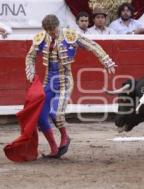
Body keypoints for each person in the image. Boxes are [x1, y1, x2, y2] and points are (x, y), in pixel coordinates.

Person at [25, 14, 116, 158]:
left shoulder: (69, 35)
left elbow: (92, 45)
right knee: (41, 118)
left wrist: (107, 61)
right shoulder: (42, 37)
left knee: (56, 114)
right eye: (49, 32)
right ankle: (54, 149)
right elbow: (30, 56)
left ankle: (65, 137)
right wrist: (30, 72)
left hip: (65, 80)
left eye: (53, 31)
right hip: (48, 81)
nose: (51, 34)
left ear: (57, 26)